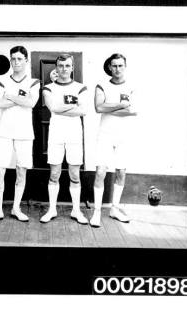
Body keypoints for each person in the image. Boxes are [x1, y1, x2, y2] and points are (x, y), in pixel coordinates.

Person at [0, 46, 40, 225]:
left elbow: (31, 103)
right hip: (5, 132)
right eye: (13, 59)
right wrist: (18, 99)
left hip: (24, 133)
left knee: (21, 170)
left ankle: (16, 208)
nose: (16, 62)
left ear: (26, 61)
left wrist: (10, 97)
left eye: (19, 59)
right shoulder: (1, 81)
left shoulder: (33, 82)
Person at [39, 54, 89, 224]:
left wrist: (61, 108)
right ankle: (52, 209)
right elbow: (52, 107)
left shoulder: (81, 87)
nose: (64, 69)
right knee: (54, 174)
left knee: (75, 174)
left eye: (67, 66)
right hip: (56, 135)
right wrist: (72, 106)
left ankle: (76, 210)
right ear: (56, 68)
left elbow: (83, 111)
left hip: (74, 135)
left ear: (72, 68)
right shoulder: (48, 88)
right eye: (61, 66)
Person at [90, 53, 138, 227]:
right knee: (100, 172)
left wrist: (109, 107)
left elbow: (133, 111)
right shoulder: (101, 85)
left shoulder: (132, 86)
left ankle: (114, 209)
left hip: (124, 136)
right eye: (114, 66)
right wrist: (122, 105)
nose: (117, 69)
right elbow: (98, 107)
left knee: (121, 172)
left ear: (125, 66)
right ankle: (96, 212)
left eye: (121, 65)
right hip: (105, 135)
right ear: (109, 67)